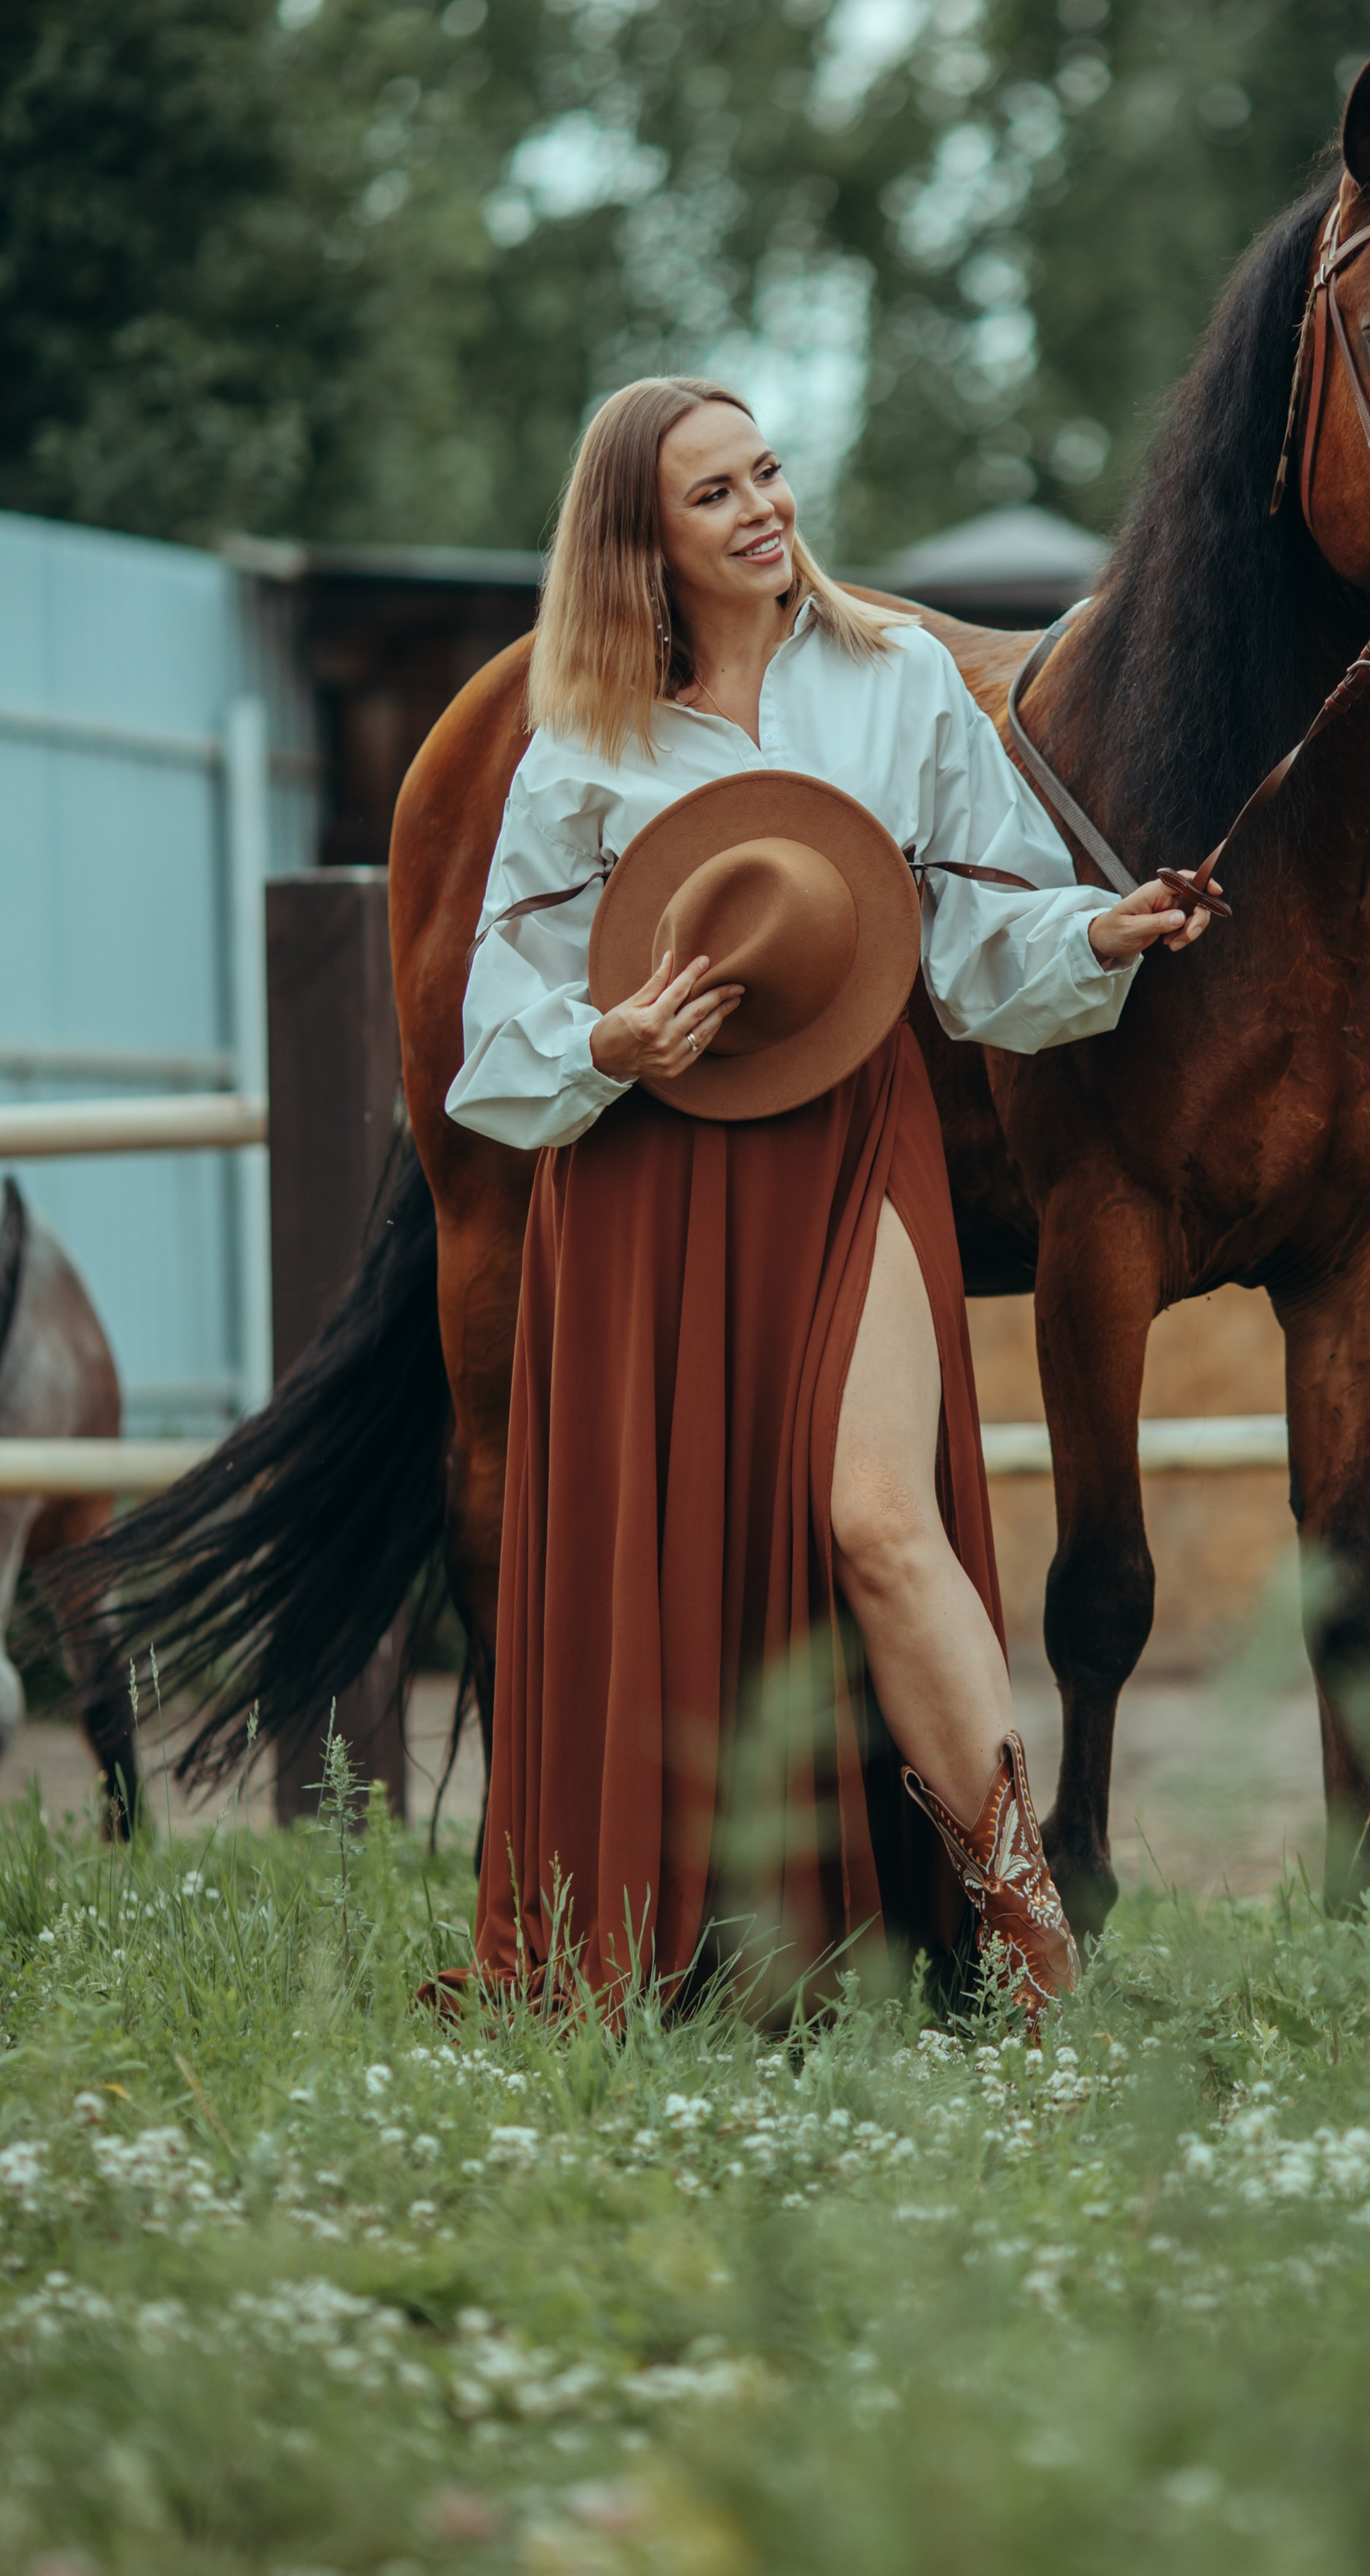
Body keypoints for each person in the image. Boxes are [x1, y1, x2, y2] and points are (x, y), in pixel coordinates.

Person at [444, 377, 1211, 2022]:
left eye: (768, 471)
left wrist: (1098, 933)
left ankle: (1036, 1958)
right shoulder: (584, 740)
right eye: (715, 493)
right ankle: (716, 1939)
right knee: (681, 1550)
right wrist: (606, 1040)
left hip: (855, 1138)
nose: (765, 510)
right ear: (640, 542)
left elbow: (980, 931)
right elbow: (494, 1028)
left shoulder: (895, 676)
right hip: (645, 1170)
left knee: (875, 1516)